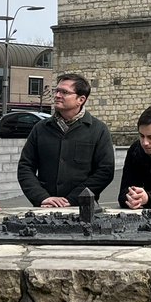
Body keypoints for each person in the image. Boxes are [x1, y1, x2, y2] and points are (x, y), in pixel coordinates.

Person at [17, 72, 114, 207]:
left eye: (64, 92)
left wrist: (73, 199)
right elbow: (25, 167)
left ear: (81, 99)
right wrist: (41, 197)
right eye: (56, 91)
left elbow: (105, 171)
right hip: (45, 207)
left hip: (83, 208)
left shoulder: (98, 130)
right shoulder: (41, 128)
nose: (57, 95)